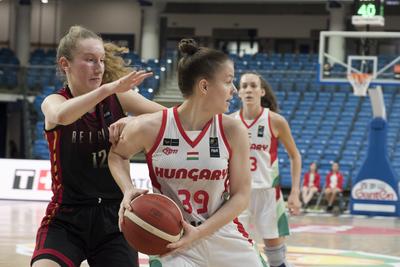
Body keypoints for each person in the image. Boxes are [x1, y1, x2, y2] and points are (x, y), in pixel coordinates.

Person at [108, 39, 265, 267]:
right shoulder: (150, 127)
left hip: (222, 233)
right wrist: (128, 189)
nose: (234, 90)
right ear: (204, 86)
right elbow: (117, 155)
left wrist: (200, 232)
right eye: (228, 82)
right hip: (171, 240)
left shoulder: (233, 130)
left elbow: (241, 196)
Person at [31, 25, 164, 267]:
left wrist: (136, 121)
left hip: (116, 215)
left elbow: (169, 118)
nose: (99, 67)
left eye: (101, 60)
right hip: (67, 216)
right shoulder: (55, 101)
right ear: (65, 64)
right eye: (90, 60)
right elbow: (61, 116)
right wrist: (109, 88)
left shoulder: (120, 99)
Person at [232, 71, 301, 267]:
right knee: (236, 251)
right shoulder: (230, 121)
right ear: (238, 92)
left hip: (268, 193)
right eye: (244, 86)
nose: (248, 90)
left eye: (253, 86)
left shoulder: (275, 120)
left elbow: (295, 155)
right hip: (238, 194)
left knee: (276, 257)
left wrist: (294, 192)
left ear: (262, 92)